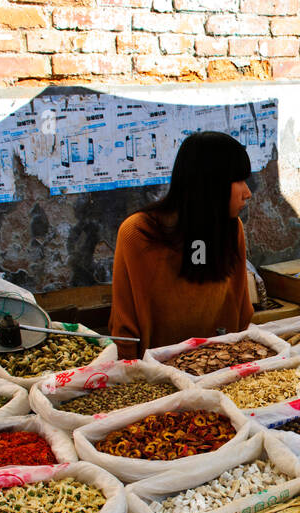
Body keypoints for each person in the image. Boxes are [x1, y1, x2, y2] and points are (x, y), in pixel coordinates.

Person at [108, 132, 254, 358]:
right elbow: (124, 327)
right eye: (239, 180)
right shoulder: (137, 233)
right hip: (155, 371)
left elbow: (241, 310)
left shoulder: (231, 229)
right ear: (211, 183)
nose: (247, 193)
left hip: (220, 363)